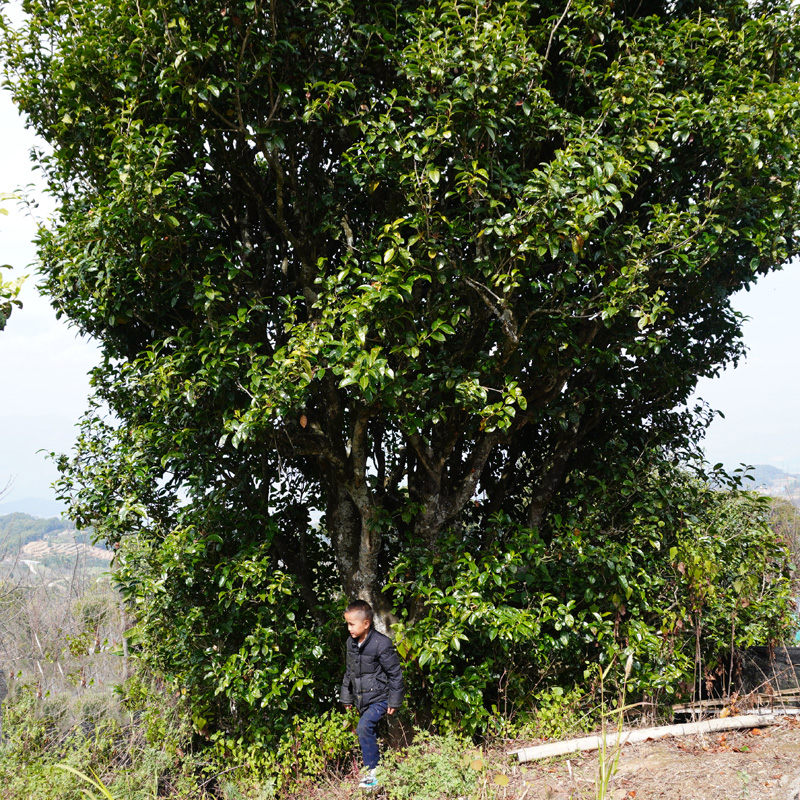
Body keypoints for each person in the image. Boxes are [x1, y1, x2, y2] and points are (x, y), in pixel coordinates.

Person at [340, 599, 404, 791]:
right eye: (347, 624)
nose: (349, 628)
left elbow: (395, 674)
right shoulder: (350, 643)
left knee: (364, 726)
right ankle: (380, 776)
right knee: (369, 732)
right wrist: (346, 697)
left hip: (380, 698)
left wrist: (394, 700)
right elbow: (349, 672)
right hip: (362, 700)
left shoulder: (381, 644)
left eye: (352, 624)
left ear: (366, 624)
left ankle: (373, 774)